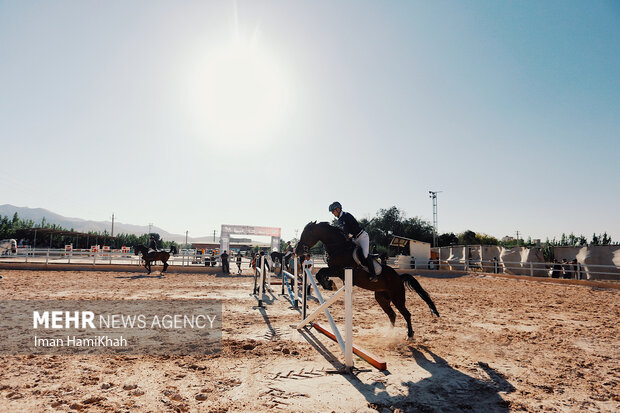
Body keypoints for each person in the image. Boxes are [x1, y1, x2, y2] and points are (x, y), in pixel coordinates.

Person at [328, 201, 377, 281]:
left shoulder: (347, 215)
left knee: (365, 255)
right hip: (354, 239)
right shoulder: (339, 220)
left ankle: (373, 274)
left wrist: (349, 236)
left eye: (333, 211)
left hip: (362, 237)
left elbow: (354, 227)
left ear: (338, 209)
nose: (333, 214)